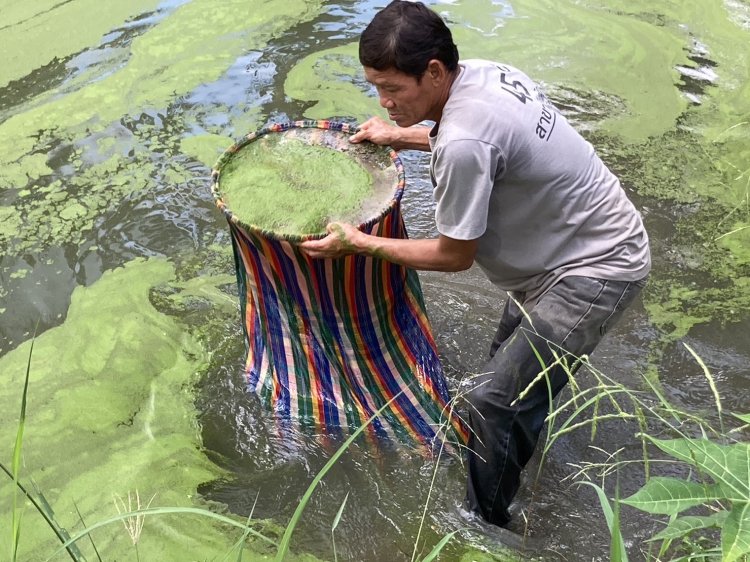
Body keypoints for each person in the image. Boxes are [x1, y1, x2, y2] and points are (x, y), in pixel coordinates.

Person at [299, 0, 650, 529]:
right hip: (557, 254)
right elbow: (477, 138)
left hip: (596, 268)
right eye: (376, 87)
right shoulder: (484, 74)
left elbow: (454, 254)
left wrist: (361, 244)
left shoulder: (465, 141)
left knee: (495, 403)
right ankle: (506, 459)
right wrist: (399, 135)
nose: (383, 101)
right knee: (502, 379)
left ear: (435, 71)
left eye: (393, 89)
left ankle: (483, 524)